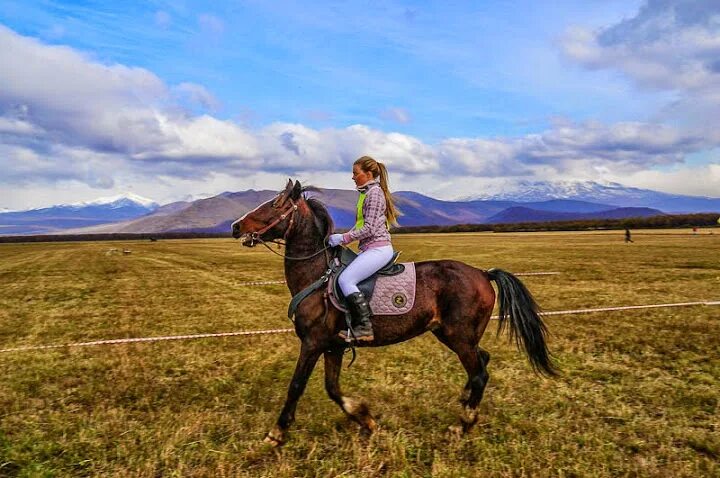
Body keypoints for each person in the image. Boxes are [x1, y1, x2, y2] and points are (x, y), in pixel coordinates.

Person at [328, 156, 401, 342]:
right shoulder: (365, 194)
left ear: (368, 174)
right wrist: (342, 239)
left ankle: (364, 327)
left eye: (355, 173)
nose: (352, 177)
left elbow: (369, 229)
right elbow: (361, 225)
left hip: (379, 249)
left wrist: (343, 238)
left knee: (346, 280)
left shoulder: (374, 193)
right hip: (370, 249)